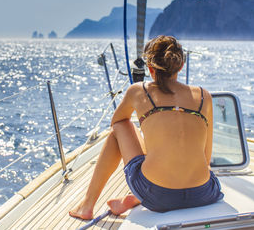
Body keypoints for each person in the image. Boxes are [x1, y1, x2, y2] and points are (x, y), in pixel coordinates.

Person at [69, 35, 224, 220]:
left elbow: (117, 122)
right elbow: (206, 158)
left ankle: (87, 205)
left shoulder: (138, 90)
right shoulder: (204, 96)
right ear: (181, 66)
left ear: (150, 69)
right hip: (203, 193)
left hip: (157, 195)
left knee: (119, 128)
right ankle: (134, 197)